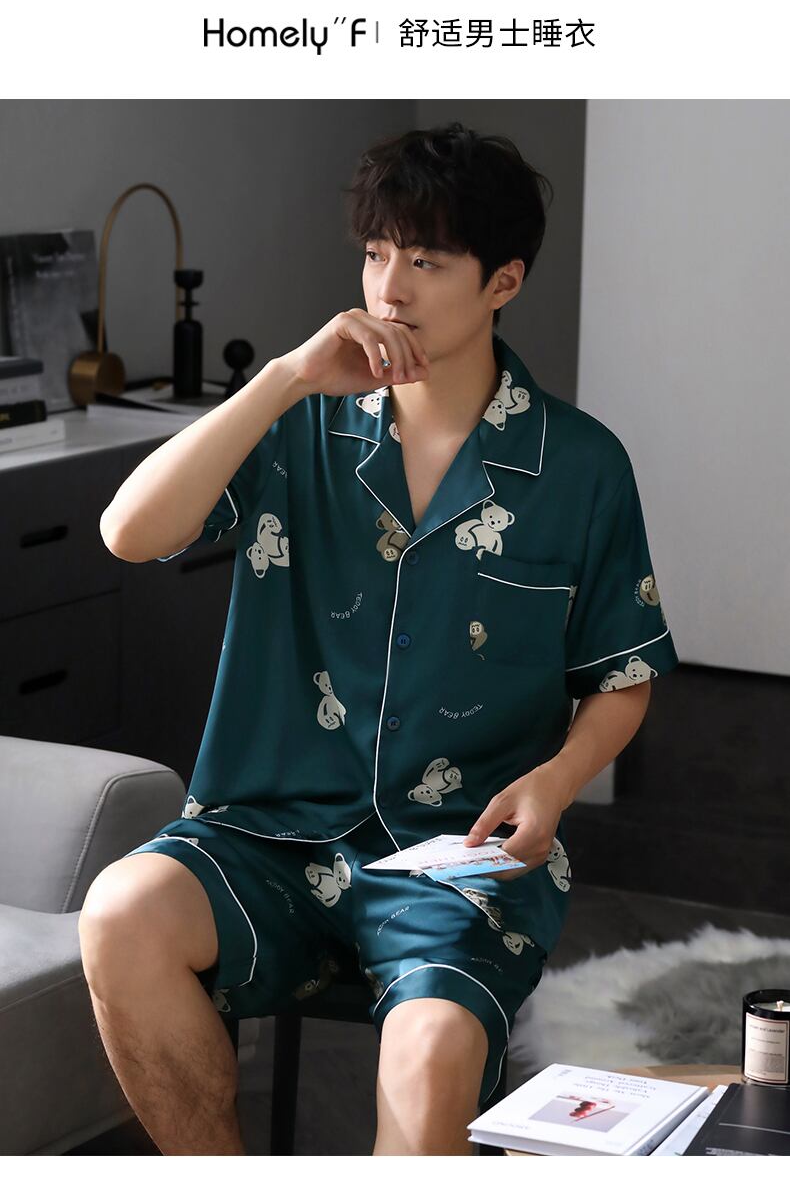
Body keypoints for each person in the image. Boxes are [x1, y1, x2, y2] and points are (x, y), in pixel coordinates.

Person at [78, 121, 679, 1155]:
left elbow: (621, 674)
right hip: (263, 836)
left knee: (430, 1051)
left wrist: (555, 782)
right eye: (376, 253)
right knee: (120, 911)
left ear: (503, 281)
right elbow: (128, 533)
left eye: (427, 261)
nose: (389, 288)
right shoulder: (296, 424)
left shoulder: (580, 466)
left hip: (458, 860)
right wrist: (282, 377)